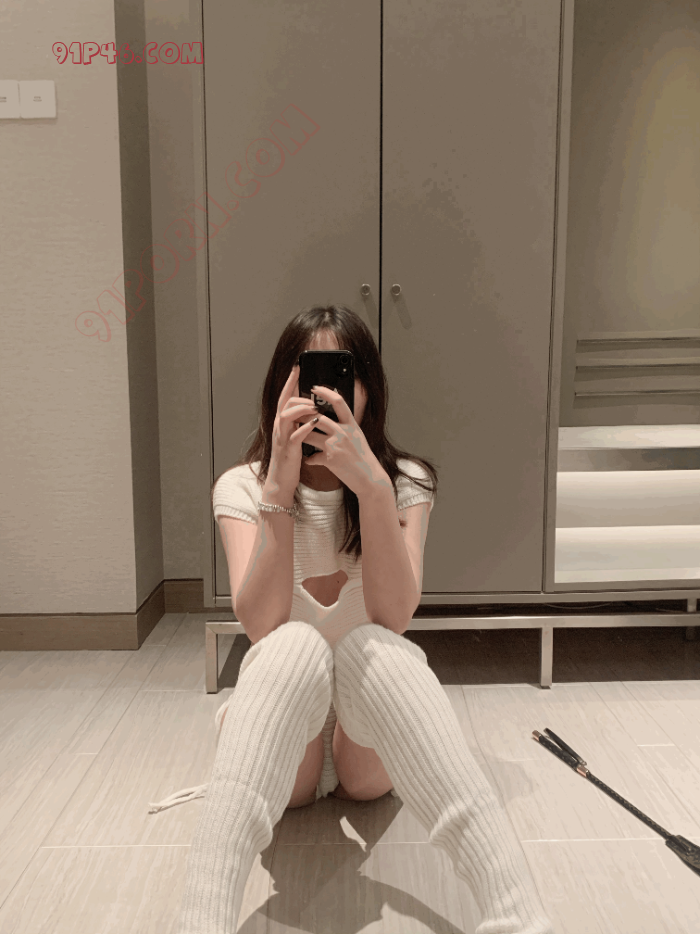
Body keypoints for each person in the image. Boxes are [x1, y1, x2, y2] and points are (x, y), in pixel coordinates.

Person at [152, 304, 554, 934]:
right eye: (307, 374)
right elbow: (261, 627)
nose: (323, 393)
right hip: (281, 740)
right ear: (281, 387)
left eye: (339, 374)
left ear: (368, 389)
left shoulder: (405, 481)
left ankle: (520, 919)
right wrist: (278, 491)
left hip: (370, 740)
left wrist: (372, 490)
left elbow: (394, 614)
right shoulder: (243, 485)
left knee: (378, 648)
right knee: (291, 647)